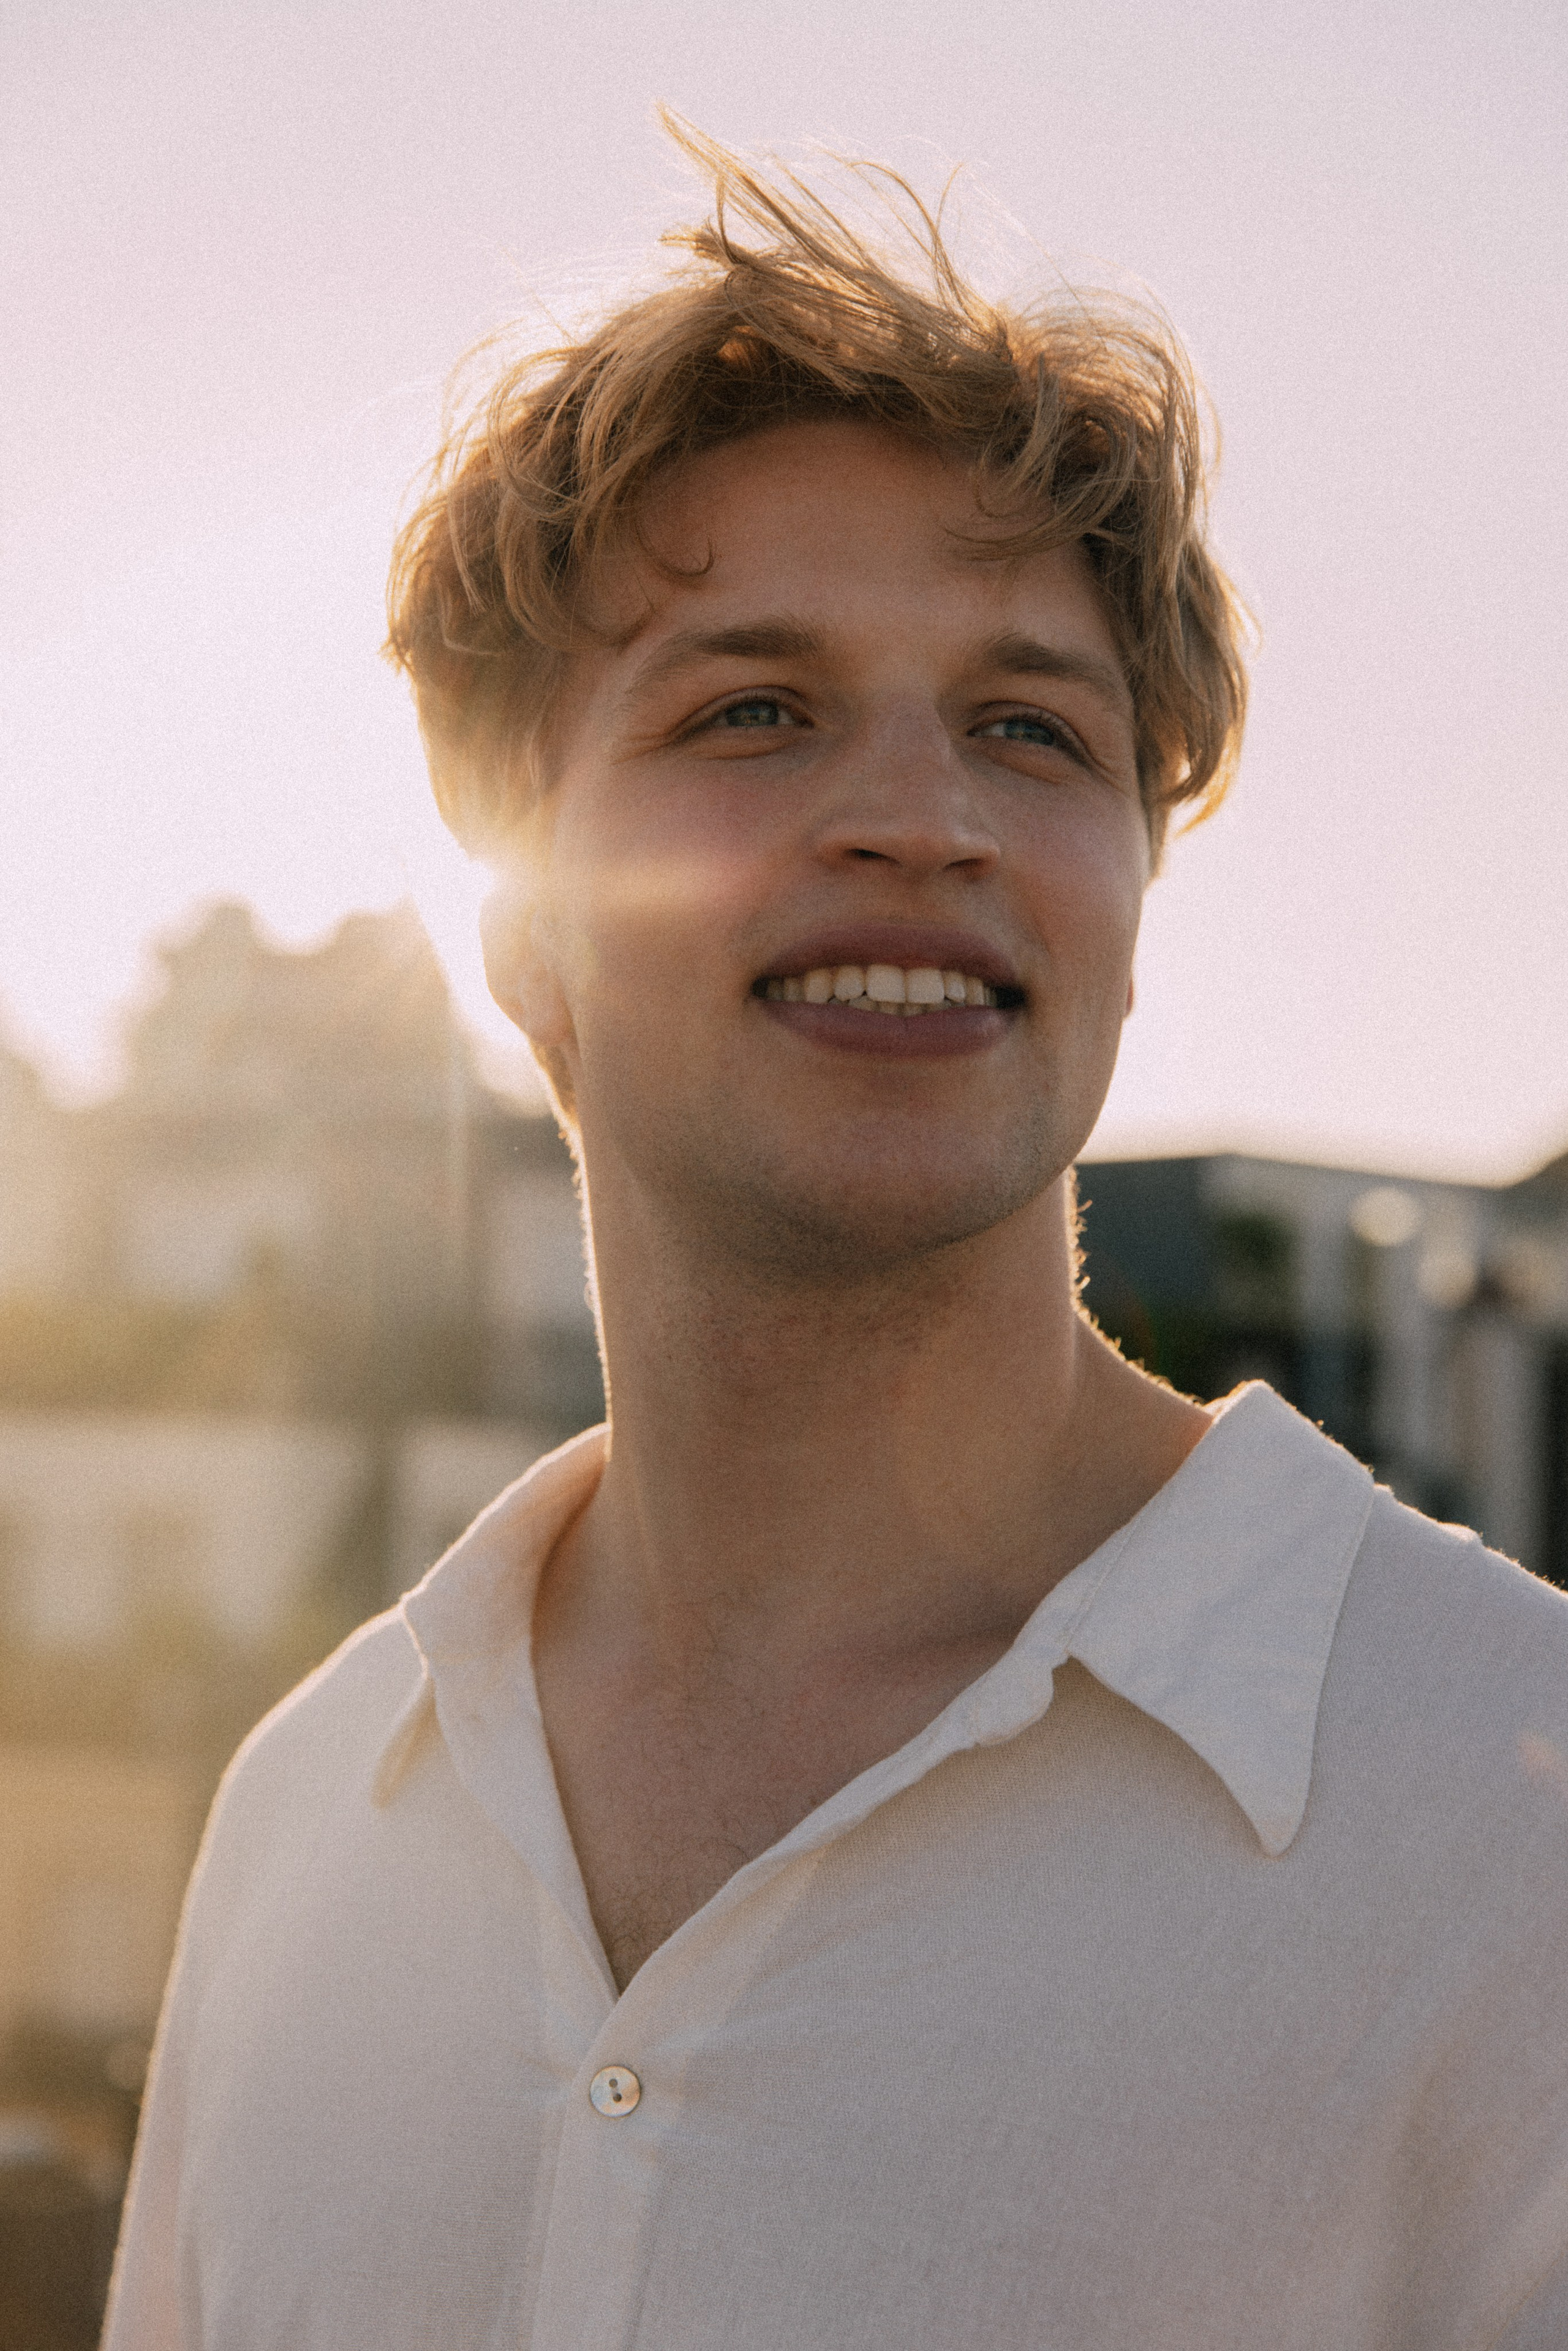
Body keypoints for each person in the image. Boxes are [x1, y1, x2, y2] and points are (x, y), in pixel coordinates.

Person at [105, 127, 1568, 2350]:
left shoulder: (1508, 1829)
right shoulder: (313, 1818)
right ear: (521, 931)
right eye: (752, 710)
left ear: (1131, 918)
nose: (924, 815)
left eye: (1030, 728)